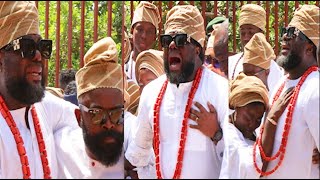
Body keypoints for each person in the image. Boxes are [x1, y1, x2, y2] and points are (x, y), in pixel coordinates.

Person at [125, 5, 229, 179]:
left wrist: (216, 134)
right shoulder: (152, 92)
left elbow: (237, 154)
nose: (172, 45)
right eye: (167, 40)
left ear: (197, 49)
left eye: (180, 39)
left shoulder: (220, 90)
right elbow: (138, 153)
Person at [0, 1, 79, 178]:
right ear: (1, 58)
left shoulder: (44, 107)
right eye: (27, 47)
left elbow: (85, 120)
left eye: (43, 48)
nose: (38, 57)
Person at [253, 5, 319, 178]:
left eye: (293, 33)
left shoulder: (315, 90)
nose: (284, 36)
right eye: (285, 30)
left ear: (310, 48)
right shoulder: (283, 81)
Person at [55, 37, 125, 178]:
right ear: (79, 116)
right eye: (97, 114)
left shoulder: (136, 152)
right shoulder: (59, 148)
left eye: (117, 114)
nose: (109, 124)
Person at [220, 73, 269, 178]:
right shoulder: (228, 133)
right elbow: (250, 166)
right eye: (248, 117)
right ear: (237, 107)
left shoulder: (252, 133)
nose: (252, 124)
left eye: (258, 119)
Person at [228, 4, 284, 92]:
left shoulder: (271, 67)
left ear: (261, 33)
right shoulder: (231, 62)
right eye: (243, 33)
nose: (246, 38)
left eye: (251, 33)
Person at [125, 1, 161, 83]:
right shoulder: (122, 71)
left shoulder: (161, 72)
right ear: (132, 31)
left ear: (155, 36)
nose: (144, 36)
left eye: (149, 32)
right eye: (140, 29)